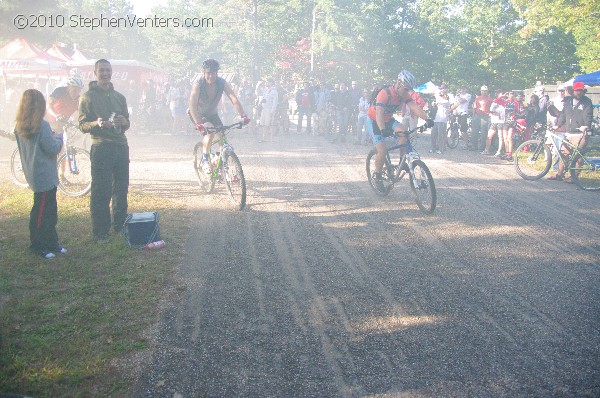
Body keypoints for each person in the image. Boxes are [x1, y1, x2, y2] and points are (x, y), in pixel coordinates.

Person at [78, 59, 131, 242]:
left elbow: (127, 122)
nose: (106, 73)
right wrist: (97, 123)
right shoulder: (88, 97)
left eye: (108, 70)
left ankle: (120, 225)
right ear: (95, 72)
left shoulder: (119, 97)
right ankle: (100, 232)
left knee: (121, 188)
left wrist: (125, 123)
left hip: (121, 146)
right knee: (101, 190)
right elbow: (82, 125)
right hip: (101, 147)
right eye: (102, 70)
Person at [14, 89, 66, 258]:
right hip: (45, 175)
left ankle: (51, 242)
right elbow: (52, 148)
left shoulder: (20, 125)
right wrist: (59, 137)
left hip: (33, 172)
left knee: (46, 210)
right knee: (44, 212)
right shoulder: (42, 125)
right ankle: (38, 244)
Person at [366, 70, 433, 192]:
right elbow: (379, 113)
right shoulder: (384, 93)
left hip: (388, 119)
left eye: (409, 89)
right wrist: (382, 129)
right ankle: (378, 176)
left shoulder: (404, 94)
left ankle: (403, 160)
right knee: (382, 149)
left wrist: (427, 119)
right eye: (406, 88)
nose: (408, 92)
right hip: (374, 120)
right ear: (399, 83)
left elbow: (414, 107)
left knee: (403, 132)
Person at [188, 59, 250, 172]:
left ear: (217, 73)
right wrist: (198, 123)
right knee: (210, 133)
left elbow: (233, 98)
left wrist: (243, 115)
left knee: (222, 136)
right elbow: (192, 105)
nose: (211, 76)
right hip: (198, 114)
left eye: (214, 73)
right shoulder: (198, 84)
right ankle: (205, 160)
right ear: (204, 73)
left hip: (212, 114)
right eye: (208, 73)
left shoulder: (221, 83)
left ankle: (218, 159)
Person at [547, 81, 593, 181]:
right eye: (577, 91)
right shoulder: (568, 101)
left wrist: (586, 126)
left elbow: (588, 115)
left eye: (581, 91)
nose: (579, 93)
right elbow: (563, 115)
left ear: (583, 91)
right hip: (569, 133)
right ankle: (559, 174)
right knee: (563, 153)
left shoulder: (587, 102)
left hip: (580, 133)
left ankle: (574, 177)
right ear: (573, 91)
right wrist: (557, 125)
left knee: (578, 155)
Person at [482, 90, 506, 156]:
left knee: (500, 137)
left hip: (501, 121)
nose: (497, 94)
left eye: (499, 93)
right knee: (489, 136)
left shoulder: (504, 102)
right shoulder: (495, 101)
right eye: (497, 93)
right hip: (494, 121)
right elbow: (491, 110)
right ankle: (487, 150)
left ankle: (499, 151)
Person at [430, 84, 452, 154]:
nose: (441, 90)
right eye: (441, 89)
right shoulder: (439, 96)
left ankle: (441, 149)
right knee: (433, 134)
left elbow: (446, 102)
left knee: (441, 135)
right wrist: (434, 104)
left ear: (446, 89)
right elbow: (434, 95)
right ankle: (433, 148)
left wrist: (441, 97)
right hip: (437, 118)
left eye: (443, 89)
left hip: (443, 118)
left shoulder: (449, 97)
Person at [471, 85, 493, 151]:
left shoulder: (490, 99)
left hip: (485, 116)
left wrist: (490, 114)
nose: (484, 92)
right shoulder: (477, 98)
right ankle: (474, 146)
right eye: (483, 91)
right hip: (477, 115)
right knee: (474, 131)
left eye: (485, 91)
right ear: (481, 91)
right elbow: (474, 106)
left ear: (487, 91)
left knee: (484, 132)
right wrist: (473, 114)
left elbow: (492, 108)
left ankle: (482, 147)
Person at [258, 78, 278, 142]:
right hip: (264, 109)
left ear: (271, 83)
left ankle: (271, 139)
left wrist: (272, 111)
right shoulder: (266, 90)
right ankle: (263, 138)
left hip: (269, 110)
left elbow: (275, 102)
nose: (266, 83)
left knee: (270, 124)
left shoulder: (274, 91)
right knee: (264, 124)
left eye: (268, 82)